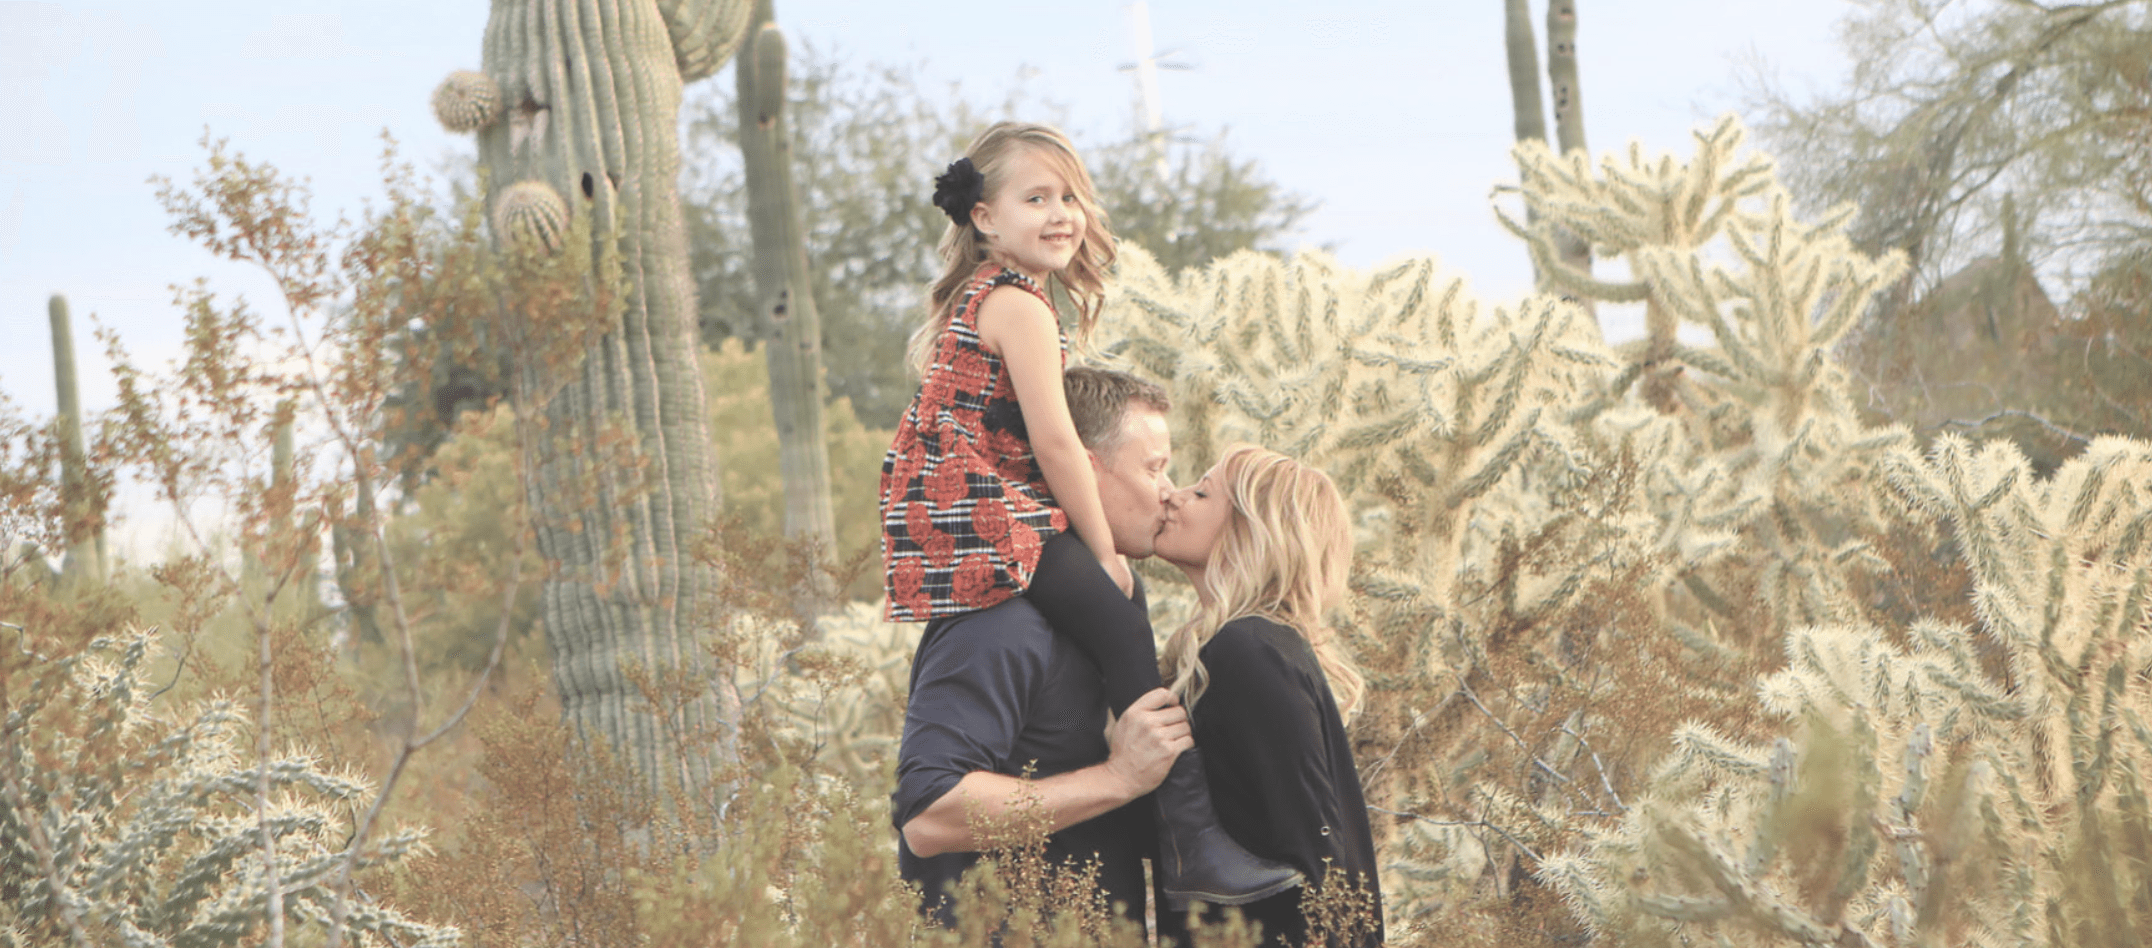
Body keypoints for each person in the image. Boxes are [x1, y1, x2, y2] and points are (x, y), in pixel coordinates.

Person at [881, 121, 1297, 909]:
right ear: (984, 217)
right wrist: (1103, 552)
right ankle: (1191, 836)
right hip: (988, 509)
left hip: (967, 505)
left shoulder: (992, 299)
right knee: (1124, 620)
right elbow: (1057, 444)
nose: (1061, 214)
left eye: (1069, 197)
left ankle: (1187, 835)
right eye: (1036, 198)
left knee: (1120, 620)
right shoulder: (1018, 305)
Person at [893, 367, 1180, 924]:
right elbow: (928, 814)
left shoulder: (1107, 605)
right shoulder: (1005, 615)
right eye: (1154, 468)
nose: (1169, 491)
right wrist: (1117, 779)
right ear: (1085, 469)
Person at [1152, 445, 1386, 947]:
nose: (1172, 495)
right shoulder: (1243, 647)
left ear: (1250, 531)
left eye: (1202, 493)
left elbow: (1314, 847)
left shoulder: (1249, 651)